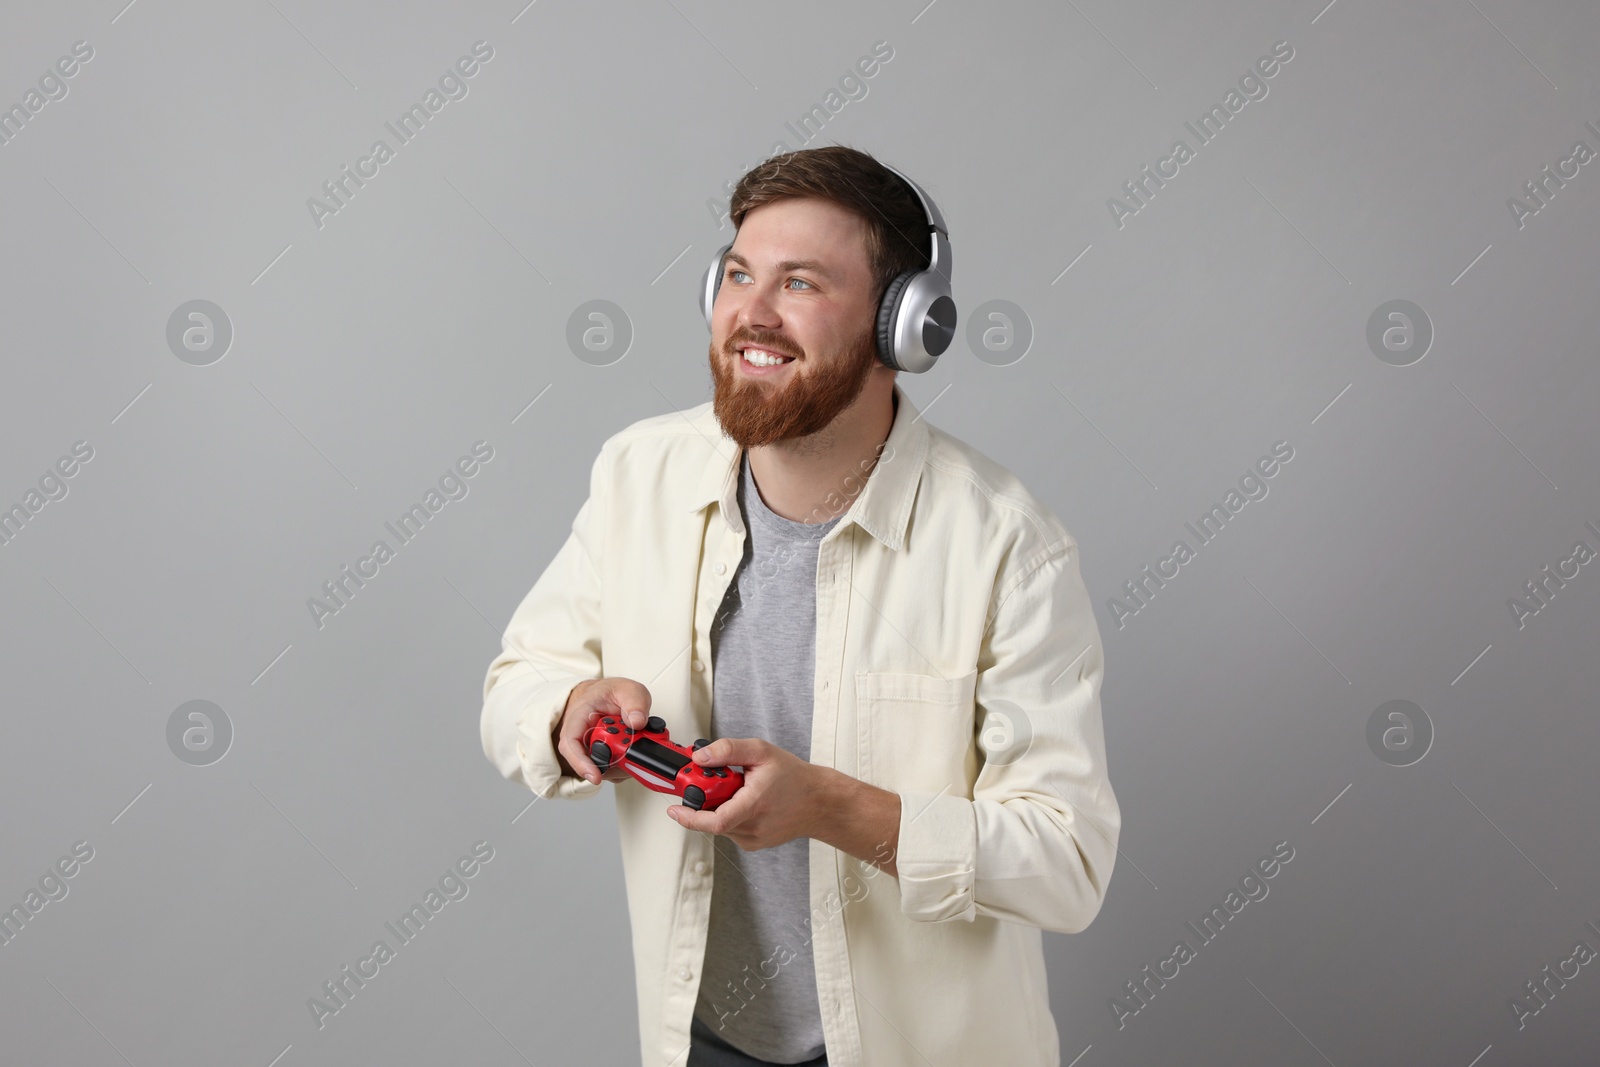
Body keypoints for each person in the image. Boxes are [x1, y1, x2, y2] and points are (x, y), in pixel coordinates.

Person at [479, 145, 1119, 1067]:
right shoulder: (640, 475)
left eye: (802, 283)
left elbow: (1067, 864)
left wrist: (827, 803)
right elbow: (517, 684)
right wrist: (565, 712)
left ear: (904, 326)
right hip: (703, 1039)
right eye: (739, 273)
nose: (753, 312)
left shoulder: (1005, 546)